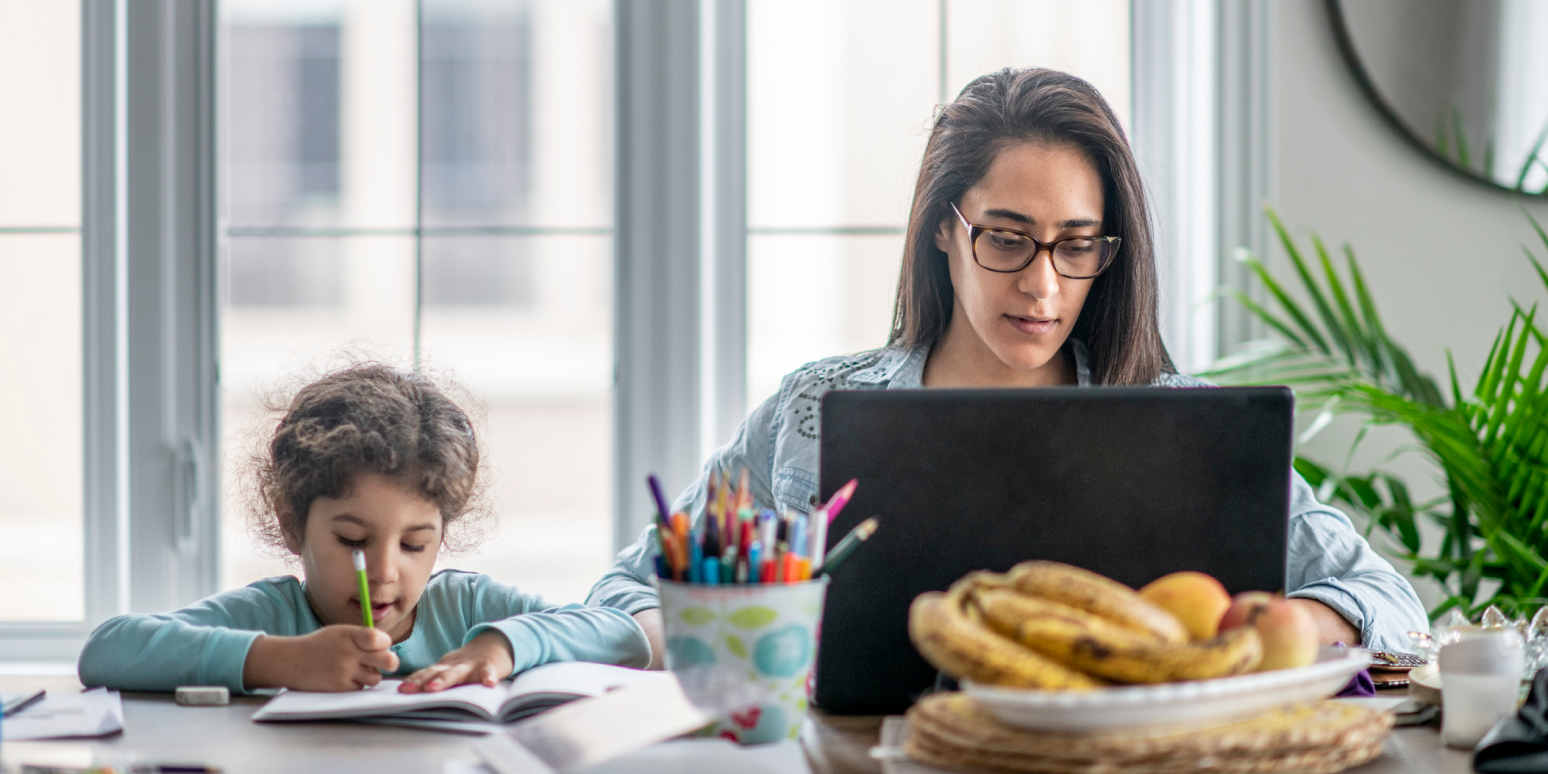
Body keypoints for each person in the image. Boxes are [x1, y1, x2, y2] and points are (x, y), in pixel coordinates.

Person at [588, 67, 1428, 667]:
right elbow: (632, 590)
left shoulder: (1188, 423)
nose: (1042, 284)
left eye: (1075, 245)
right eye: (1006, 237)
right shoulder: (813, 407)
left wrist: (1275, 628)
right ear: (944, 228)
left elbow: (1392, 603)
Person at [79, 364, 649, 693]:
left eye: (414, 543)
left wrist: (502, 644)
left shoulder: (470, 609)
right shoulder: (271, 618)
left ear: (442, 536)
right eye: (352, 541)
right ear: (292, 525)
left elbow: (624, 634)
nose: (383, 570)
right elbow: (107, 651)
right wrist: (281, 660)